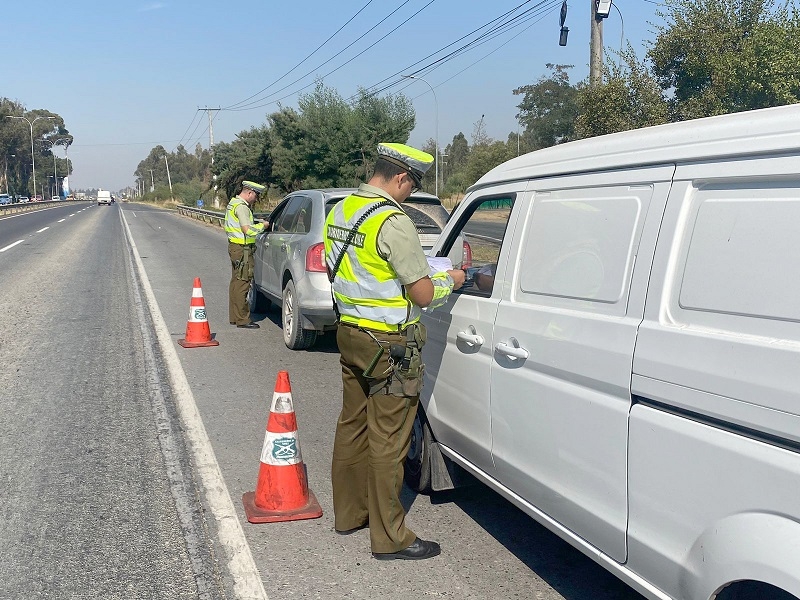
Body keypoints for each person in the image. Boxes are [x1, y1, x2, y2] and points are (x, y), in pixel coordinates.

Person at [323, 143, 466, 561]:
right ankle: (390, 537)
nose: (409, 195)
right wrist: (452, 280)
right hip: (389, 346)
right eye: (412, 186)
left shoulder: (342, 210)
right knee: (389, 440)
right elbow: (421, 293)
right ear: (402, 177)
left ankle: (349, 514)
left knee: (351, 425)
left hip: (350, 333)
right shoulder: (392, 220)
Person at [225, 180, 267, 328]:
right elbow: (247, 230)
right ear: (249, 193)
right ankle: (243, 319)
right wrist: (263, 226)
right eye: (256, 196)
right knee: (243, 283)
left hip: (235, 247)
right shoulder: (242, 207)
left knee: (236, 282)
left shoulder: (233, 203)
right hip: (242, 249)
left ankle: (235, 317)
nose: (256, 199)